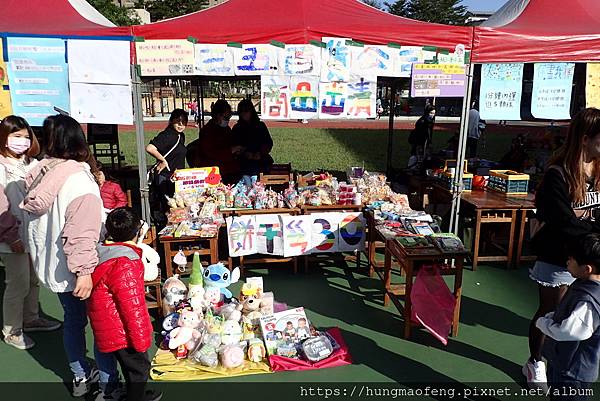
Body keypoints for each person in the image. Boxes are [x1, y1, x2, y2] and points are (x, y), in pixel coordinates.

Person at [20, 115, 113, 397]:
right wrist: (84, 270)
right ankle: (108, 386)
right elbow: (80, 230)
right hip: (78, 267)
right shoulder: (77, 179)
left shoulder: (39, 173)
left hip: (52, 266)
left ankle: (79, 374)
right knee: (100, 323)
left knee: (73, 320)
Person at [525, 108, 600, 390]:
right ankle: (535, 362)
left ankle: (567, 365)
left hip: (591, 258)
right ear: (584, 139)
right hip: (560, 256)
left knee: (584, 314)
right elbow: (563, 221)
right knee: (552, 311)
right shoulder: (558, 174)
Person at [0, 116, 60, 350]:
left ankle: (31, 318)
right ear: (4, 139)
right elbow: (2, 207)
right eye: (16, 137)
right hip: (10, 235)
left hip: (31, 233)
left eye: (26, 137)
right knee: (18, 283)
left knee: (33, 279)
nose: (22, 141)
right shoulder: (1, 167)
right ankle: (12, 330)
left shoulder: (32, 163)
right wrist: (10, 234)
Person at [87, 208, 159, 401]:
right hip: (123, 330)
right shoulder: (125, 261)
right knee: (139, 369)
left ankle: (135, 394)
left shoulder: (103, 251)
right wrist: (141, 340)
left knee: (130, 368)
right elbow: (132, 307)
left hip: (109, 325)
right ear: (137, 232)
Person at [537, 233, 600, 401]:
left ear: (587, 269)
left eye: (571, 260)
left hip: (572, 373)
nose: (567, 262)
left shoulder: (588, 300)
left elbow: (570, 332)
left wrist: (544, 323)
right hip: (563, 363)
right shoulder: (583, 284)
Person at [146, 109, 188, 227]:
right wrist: (162, 160)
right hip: (165, 177)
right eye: (178, 121)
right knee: (169, 208)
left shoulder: (180, 136)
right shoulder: (167, 135)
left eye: (184, 122)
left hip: (176, 177)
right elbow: (150, 148)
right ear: (171, 121)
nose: (181, 124)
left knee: (178, 207)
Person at [187, 99, 240, 183]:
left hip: (228, 168)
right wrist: (231, 151)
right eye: (226, 117)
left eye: (229, 117)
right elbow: (211, 152)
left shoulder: (226, 129)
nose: (228, 120)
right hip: (213, 170)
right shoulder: (207, 130)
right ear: (218, 115)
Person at [232, 99, 274, 177]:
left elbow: (268, 143)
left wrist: (260, 153)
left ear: (251, 111)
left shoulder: (260, 126)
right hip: (243, 161)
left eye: (246, 110)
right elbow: (234, 146)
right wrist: (244, 153)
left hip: (261, 160)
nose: (244, 113)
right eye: (241, 111)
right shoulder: (237, 128)